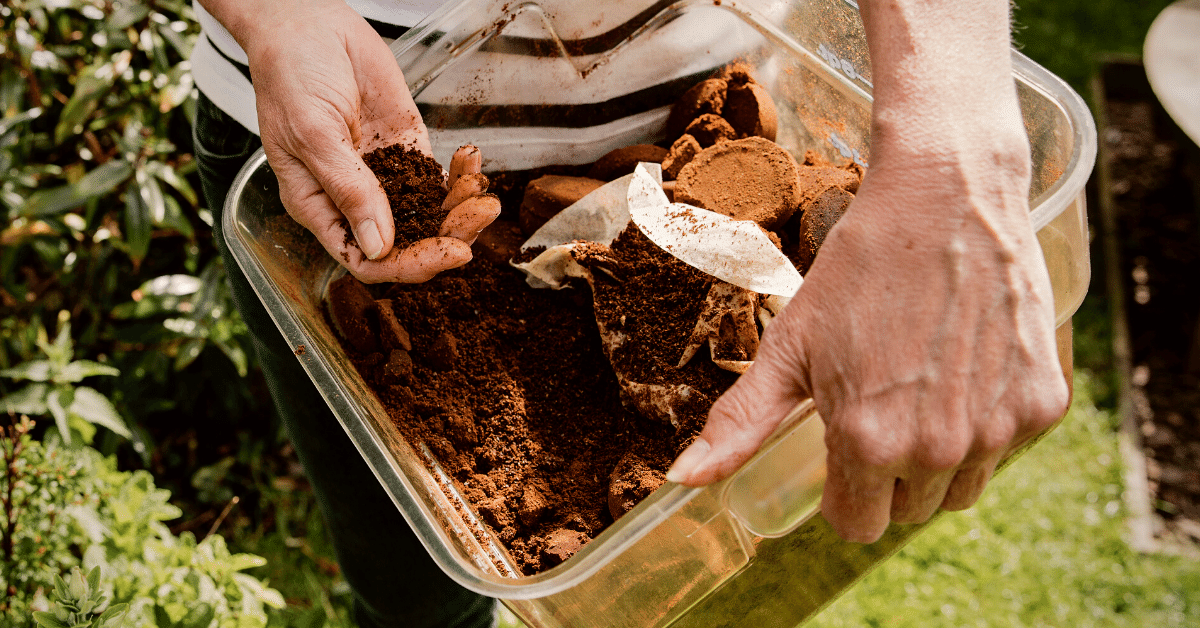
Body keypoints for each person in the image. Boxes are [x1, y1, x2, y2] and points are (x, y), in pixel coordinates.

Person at [190, 0, 1069, 625]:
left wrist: (957, 156)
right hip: (342, 151)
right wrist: (270, 12)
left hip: (698, 97)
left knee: (696, 575)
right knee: (416, 584)